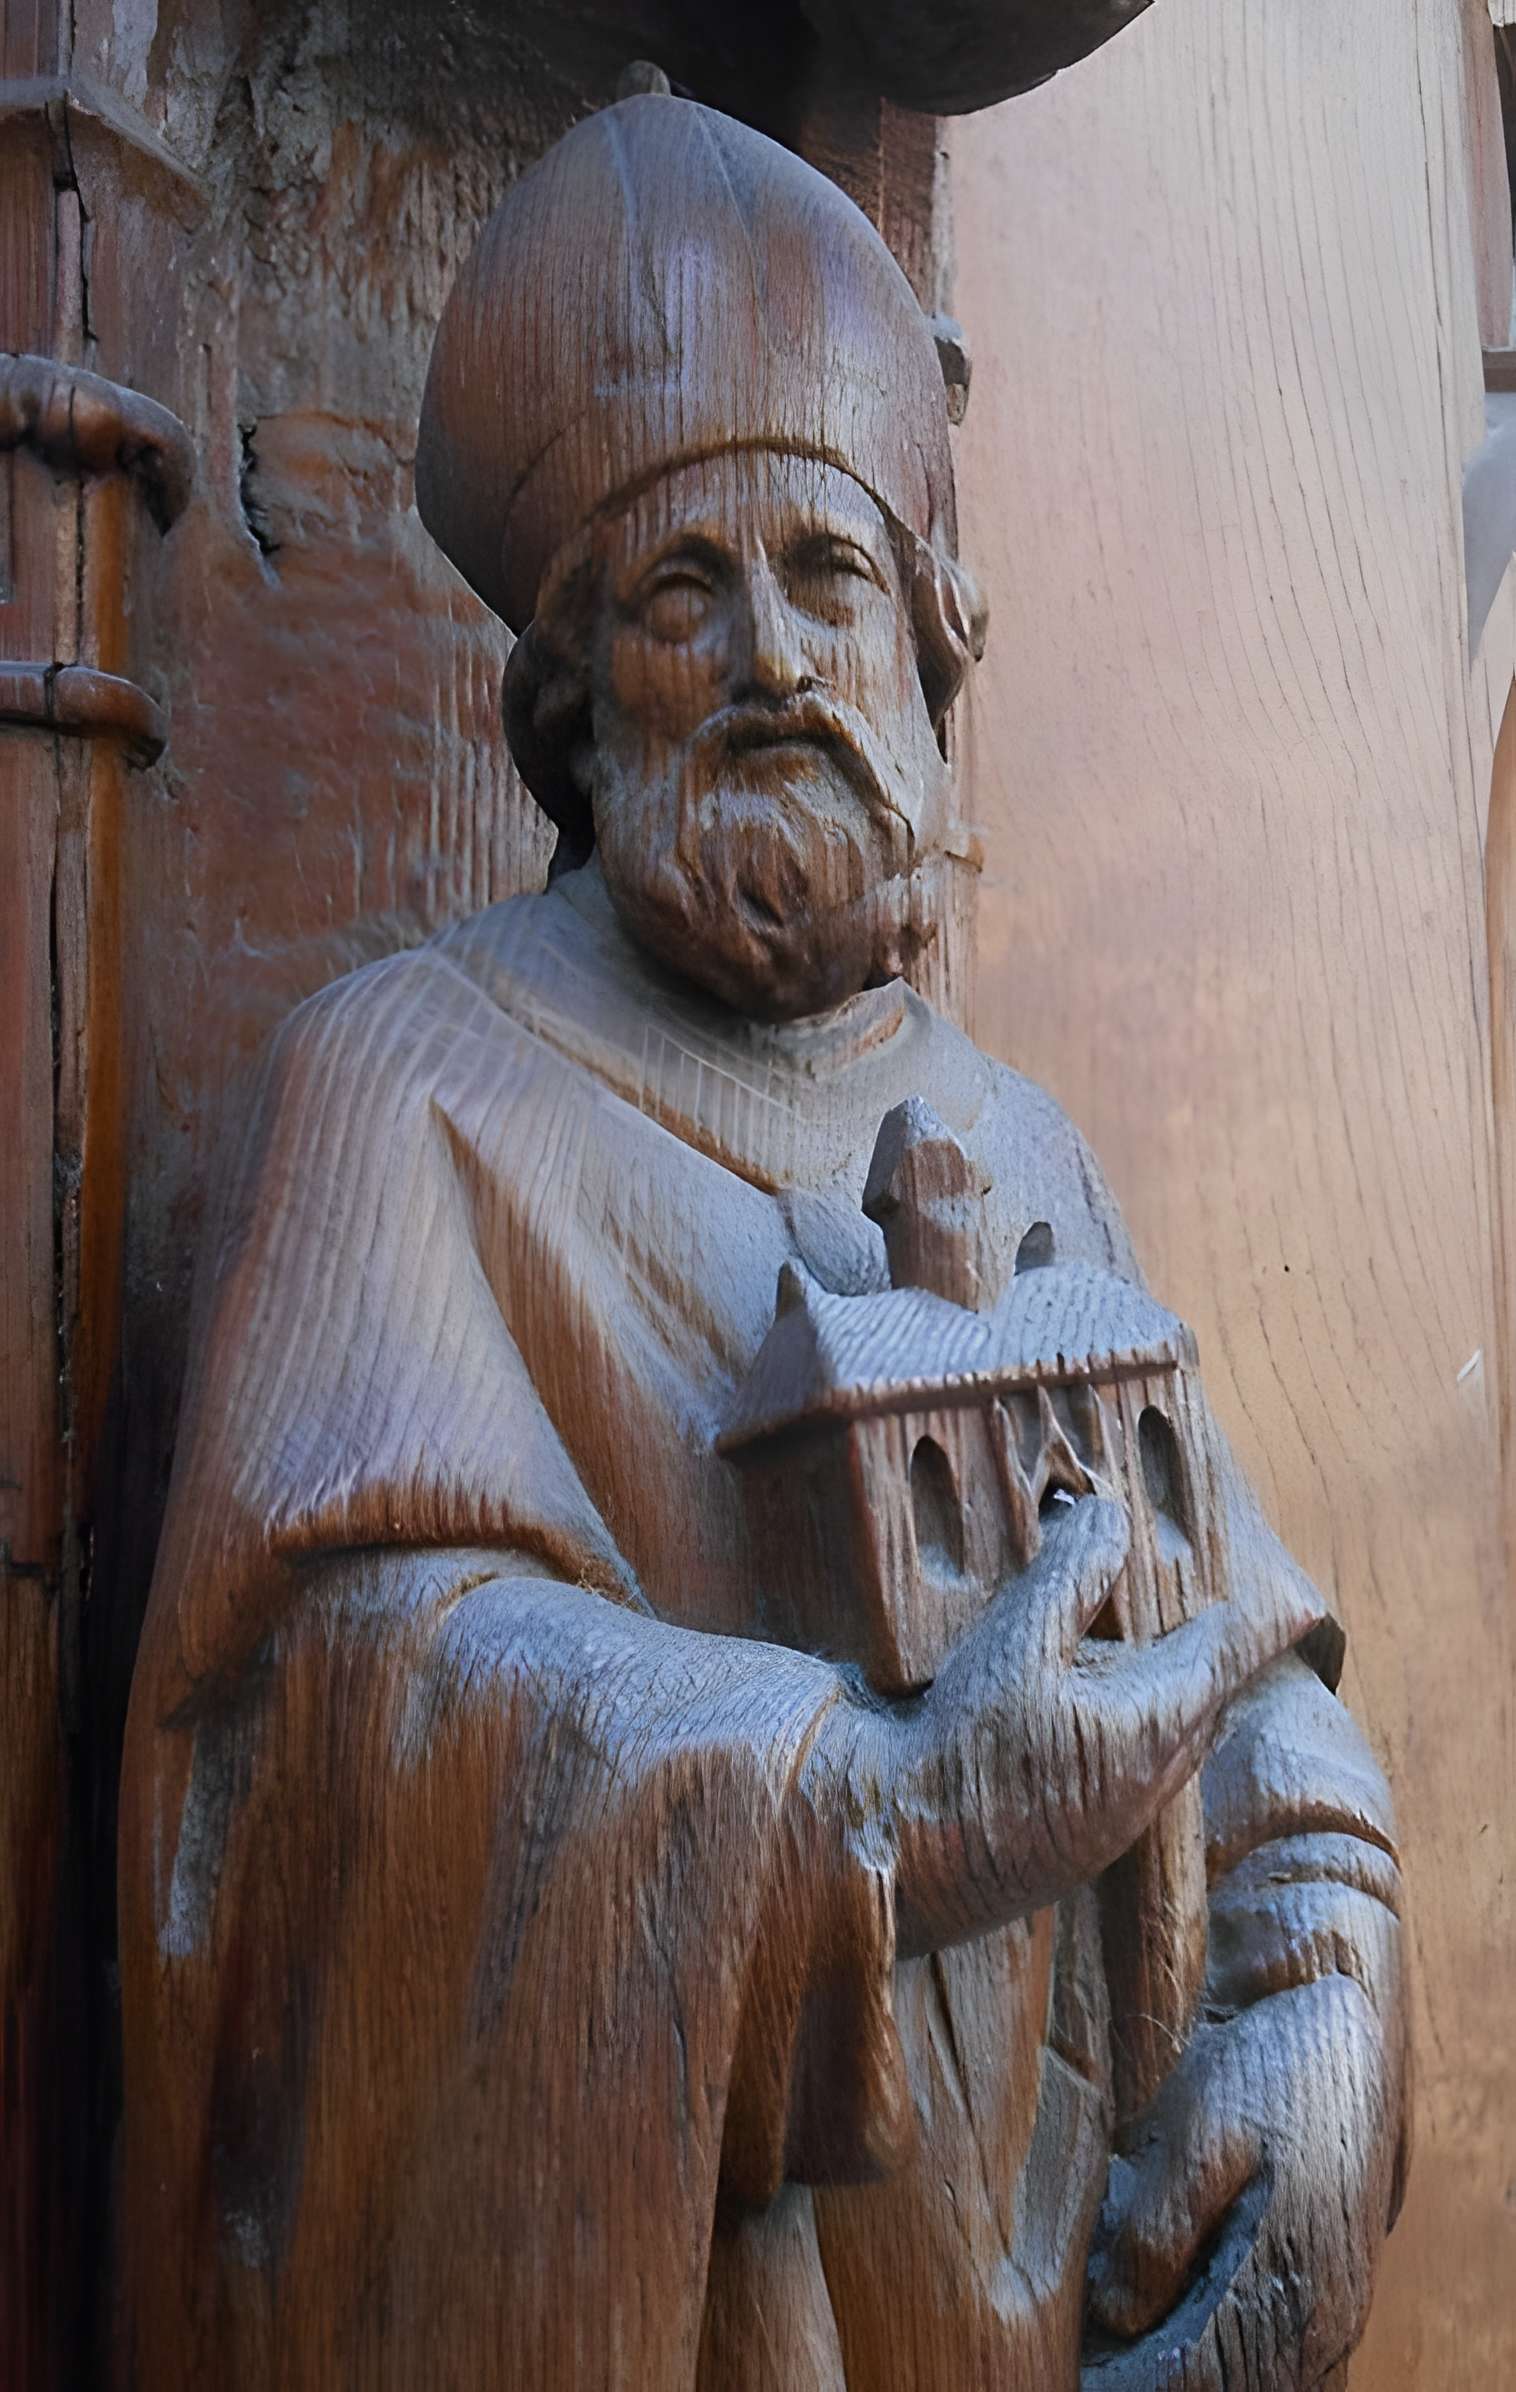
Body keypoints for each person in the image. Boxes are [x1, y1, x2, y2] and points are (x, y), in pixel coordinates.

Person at [118, 93, 1406, 2391]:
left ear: (926, 645)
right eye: (681, 595)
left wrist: (1318, 1989)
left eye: (824, 579)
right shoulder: (409, 1086)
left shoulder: (1014, 1133)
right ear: (568, 700)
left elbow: (1244, 1669)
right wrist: (871, 1816)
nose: (772, 660)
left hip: (1063, 2298)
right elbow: (309, 1757)